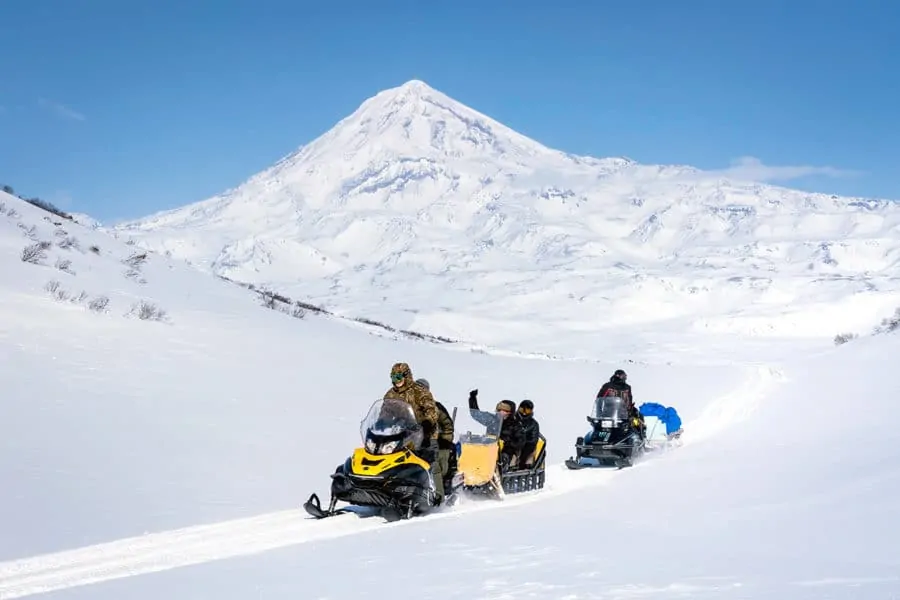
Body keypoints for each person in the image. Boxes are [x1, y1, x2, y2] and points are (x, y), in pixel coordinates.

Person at [384, 363, 446, 503]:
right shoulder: (391, 394)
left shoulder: (420, 391)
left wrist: (427, 423)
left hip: (426, 434)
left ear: (406, 376)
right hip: (402, 434)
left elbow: (431, 410)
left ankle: (438, 495)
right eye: (393, 377)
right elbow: (385, 411)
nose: (396, 380)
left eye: (398, 376)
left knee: (430, 463)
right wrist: (381, 423)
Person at [415, 378, 457, 494]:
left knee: (439, 462)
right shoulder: (407, 407)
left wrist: (445, 440)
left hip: (432, 442)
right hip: (411, 442)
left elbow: (447, 425)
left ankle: (442, 490)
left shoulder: (436, 407)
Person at [468, 389, 525, 471]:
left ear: (510, 412)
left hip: (506, 451)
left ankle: (499, 473)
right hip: (490, 447)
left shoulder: (515, 424)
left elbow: (521, 440)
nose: (501, 412)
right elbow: (476, 414)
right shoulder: (492, 419)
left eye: (505, 411)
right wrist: (472, 398)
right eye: (499, 410)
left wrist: (508, 442)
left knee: (504, 456)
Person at [596, 369, 644, 438]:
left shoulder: (627, 387)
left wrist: (630, 410)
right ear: (617, 376)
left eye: (625, 376)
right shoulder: (608, 386)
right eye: (623, 376)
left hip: (623, 414)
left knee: (638, 419)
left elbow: (629, 400)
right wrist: (599, 414)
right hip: (609, 414)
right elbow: (599, 399)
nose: (625, 378)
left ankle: (640, 438)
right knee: (599, 426)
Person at [516, 399, 540, 466]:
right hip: (512, 442)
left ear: (531, 411)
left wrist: (523, 440)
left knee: (528, 448)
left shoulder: (533, 424)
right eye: (522, 410)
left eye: (527, 410)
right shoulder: (512, 419)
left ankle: (521, 464)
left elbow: (534, 439)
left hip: (526, 444)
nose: (524, 413)